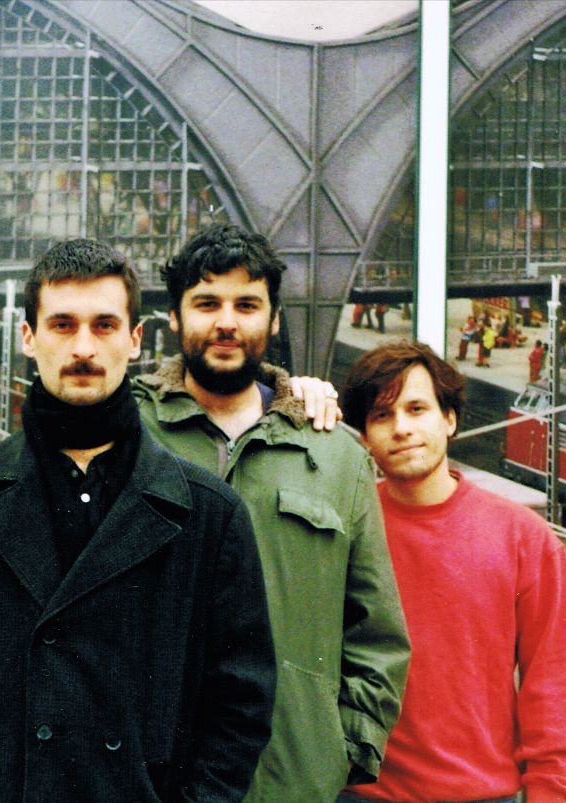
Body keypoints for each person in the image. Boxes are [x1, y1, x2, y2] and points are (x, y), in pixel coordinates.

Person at [0, 239, 277, 801]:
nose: (84, 347)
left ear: (135, 339)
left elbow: (240, 704)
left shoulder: (208, 513)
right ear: (28, 337)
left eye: (104, 326)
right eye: (62, 325)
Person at [134, 223, 410, 802]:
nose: (226, 322)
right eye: (206, 303)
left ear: (275, 319)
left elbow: (376, 631)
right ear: (175, 318)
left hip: (293, 781)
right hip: (147, 781)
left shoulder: (335, 455)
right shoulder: (126, 437)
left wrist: (342, 750)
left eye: (247, 305)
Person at [338, 341, 566, 803]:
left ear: (449, 419)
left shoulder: (524, 538)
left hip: (485, 795)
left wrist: (548, 793)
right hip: (362, 794)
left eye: (417, 409)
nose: (402, 427)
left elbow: (551, 683)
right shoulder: (348, 527)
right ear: (365, 435)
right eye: (382, 415)